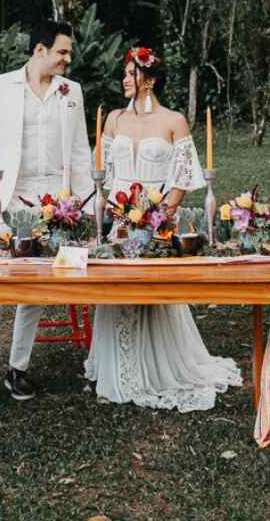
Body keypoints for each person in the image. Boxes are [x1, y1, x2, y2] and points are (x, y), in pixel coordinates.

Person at [0, 20, 92, 413]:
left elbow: (79, 152)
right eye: (62, 51)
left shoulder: (71, 92)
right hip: (2, 199)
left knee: (36, 286)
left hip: (53, 203)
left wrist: (86, 206)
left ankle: (18, 368)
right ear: (39, 50)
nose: (68, 59)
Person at [84, 46, 242, 411]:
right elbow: (102, 175)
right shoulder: (114, 120)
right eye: (124, 74)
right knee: (117, 294)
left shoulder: (174, 121)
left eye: (131, 74)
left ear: (150, 80)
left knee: (154, 294)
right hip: (120, 220)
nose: (125, 79)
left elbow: (183, 176)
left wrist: (160, 214)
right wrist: (116, 212)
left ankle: (158, 369)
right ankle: (119, 370)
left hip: (156, 219)